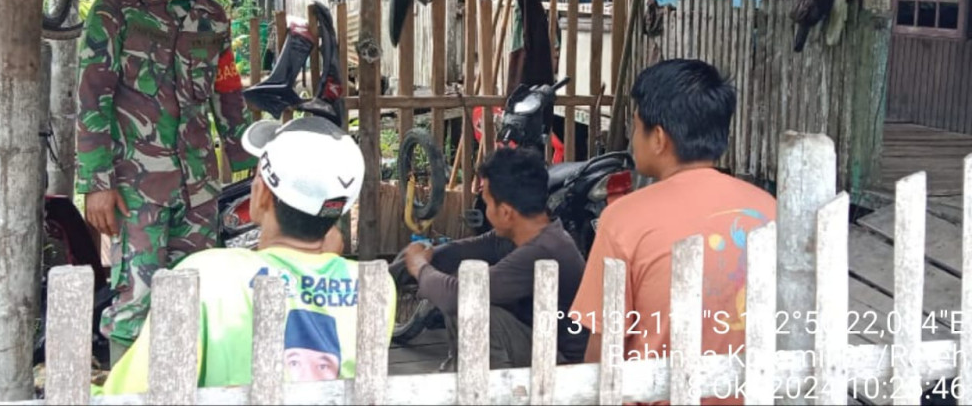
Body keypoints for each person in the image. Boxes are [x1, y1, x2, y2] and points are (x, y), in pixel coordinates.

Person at [76, 0, 258, 363]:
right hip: (137, 191)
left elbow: (227, 94)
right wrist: (96, 185)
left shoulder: (214, 19)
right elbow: (92, 99)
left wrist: (252, 165)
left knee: (195, 296)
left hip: (197, 189)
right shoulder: (118, 12)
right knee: (134, 300)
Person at [96, 116, 395, 394]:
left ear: (261, 194)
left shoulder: (203, 276)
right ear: (339, 209)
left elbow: (129, 395)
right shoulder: (376, 287)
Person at [569, 59, 776, 406]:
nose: (633, 138)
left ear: (659, 138)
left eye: (636, 128)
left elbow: (603, 352)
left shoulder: (623, 219)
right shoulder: (768, 209)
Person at [397, 147, 589, 369]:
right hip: (537, 343)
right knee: (463, 280)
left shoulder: (544, 249)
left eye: (487, 203)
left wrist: (419, 267)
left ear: (506, 212)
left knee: (470, 306)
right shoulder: (526, 232)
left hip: (564, 366)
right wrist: (401, 268)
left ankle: (489, 390)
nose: (486, 210)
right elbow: (458, 252)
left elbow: (456, 296)